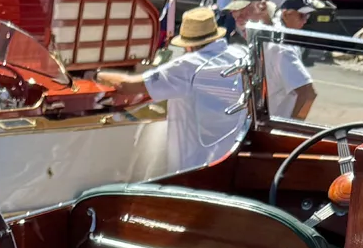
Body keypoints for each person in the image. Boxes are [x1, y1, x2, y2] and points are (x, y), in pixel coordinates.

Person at [99, 9, 252, 174]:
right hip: (230, 158)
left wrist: (95, 74)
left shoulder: (185, 66)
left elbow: (126, 86)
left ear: (188, 46)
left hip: (192, 167)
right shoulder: (239, 55)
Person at [226, 0, 316, 121]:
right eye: (234, 10)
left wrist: (288, 131)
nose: (238, 15)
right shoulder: (257, 39)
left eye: (244, 9)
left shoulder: (277, 48)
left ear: (262, 7)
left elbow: (308, 94)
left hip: (270, 131)